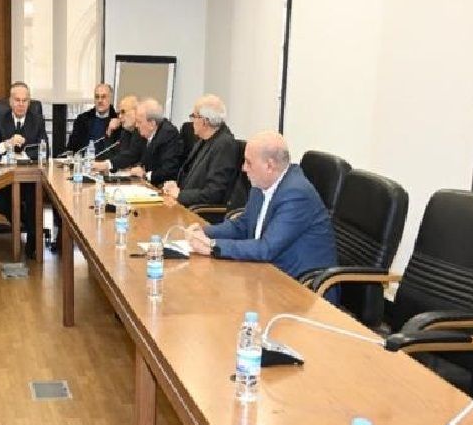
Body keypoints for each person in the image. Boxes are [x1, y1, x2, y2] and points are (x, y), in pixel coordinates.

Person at [186, 131, 337, 286]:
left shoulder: (296, 194)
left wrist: (212, 245)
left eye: (248, 162)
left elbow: (266, 248)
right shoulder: (261, 184)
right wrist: (204, 232)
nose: (244, 168)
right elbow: (242, 225)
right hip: (267, 272)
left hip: (301, 286)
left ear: (269, 166)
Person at [0, 82, 50, 257]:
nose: (21, 104)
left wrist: (23, 153)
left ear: (29, 102)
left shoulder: (37, 120)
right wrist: (7, 143)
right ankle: (30, 226)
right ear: (10, 102)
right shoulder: (1, 120)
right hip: (6, 179)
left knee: (32, 199)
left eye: (25, 100)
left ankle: (33, 242)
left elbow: (45, 150)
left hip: (30, 178)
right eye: (17, 100)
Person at [162, 94, 240, 206]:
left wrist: (181, 195)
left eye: (194, 116)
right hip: (185, 205)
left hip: (198, 211)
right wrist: (175, 186)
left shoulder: (224, 145)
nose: (191, 121)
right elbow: (189, 176)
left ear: (204, 121)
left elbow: (214, 193)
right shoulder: (203, 139)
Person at [128, 98, 184, 187]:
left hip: (164, 187)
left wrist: (145, 175)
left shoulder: (168, 134)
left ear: (152, 124)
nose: (136, 125)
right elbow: (135, 155)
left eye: (139, 122)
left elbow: (169, 170)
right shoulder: (146, 133)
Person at [94, 94, 145, 172]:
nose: (120, 116)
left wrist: (106, 165)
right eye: (119, 113)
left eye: (123, 112)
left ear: (136, 112)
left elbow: (131, 156)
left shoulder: (143, 130)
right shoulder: (126, 131)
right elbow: (117, 156)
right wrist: (110, 133)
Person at [67, 83, 117, 155]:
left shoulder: (117, 121)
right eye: (97, 97)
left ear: (110, 99)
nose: (100, 100)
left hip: (108, 161)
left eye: (103, 97)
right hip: (84, 160)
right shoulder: (82, 119)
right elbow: (71, 147)